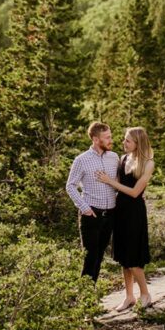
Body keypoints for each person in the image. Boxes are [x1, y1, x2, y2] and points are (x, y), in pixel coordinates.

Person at [96, 126, 154, 310]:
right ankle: (129, 296)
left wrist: (109, 181)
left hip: (134, 212)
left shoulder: (148, 163)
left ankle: (145, 293)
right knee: (123, 257)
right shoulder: (123, 158)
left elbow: (136, 192)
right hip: (120, 210)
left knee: (133, 258)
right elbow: (118, 187)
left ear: (138, 143)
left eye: (127, 140)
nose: (123, 143)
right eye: (124, 139)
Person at [66, 121, 119, 282]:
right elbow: (70, 186)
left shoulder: (114, 157)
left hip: (110, 214)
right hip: (91, 214)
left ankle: (91, 296)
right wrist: (84, 208)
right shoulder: (81, 160)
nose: (111, 140)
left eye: (110, 136)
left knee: (100, 255)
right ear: (96, 139)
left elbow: (117, 182)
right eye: (107, 137)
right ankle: (84, 298)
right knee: (90, 257)